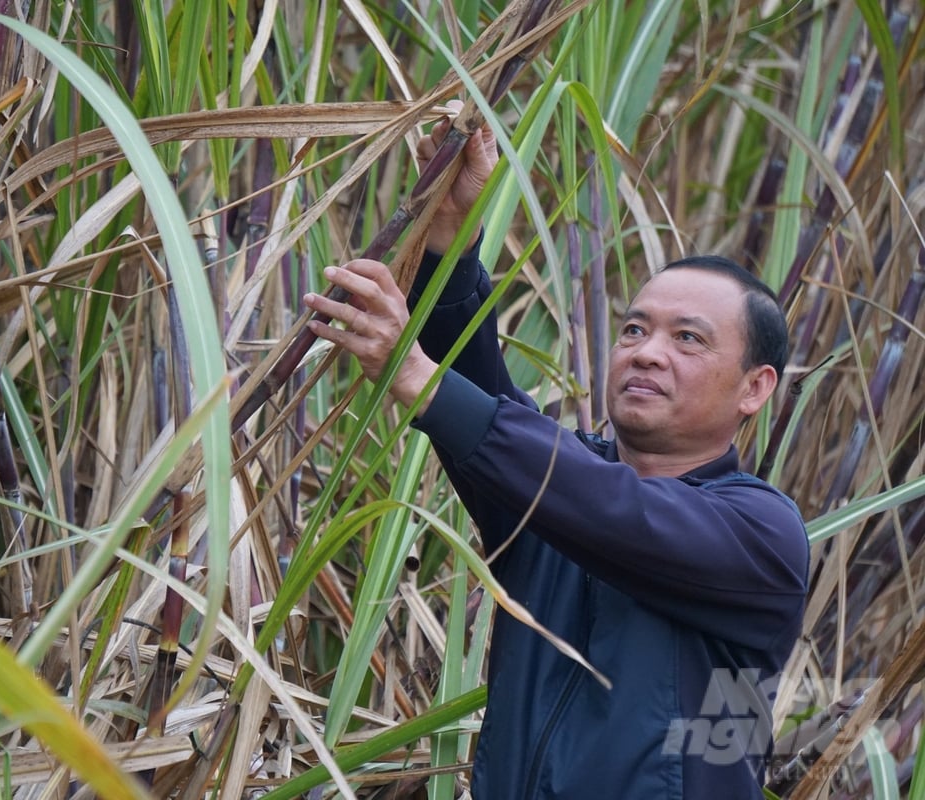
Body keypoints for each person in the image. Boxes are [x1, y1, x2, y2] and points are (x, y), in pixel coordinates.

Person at [302, 114, 809, 798]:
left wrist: (419, 377)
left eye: (688, 339)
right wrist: (451, 245)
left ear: (755, 388)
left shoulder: (762, 537)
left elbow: (607, 507)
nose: (647, 351)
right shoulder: (558, 494)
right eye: (635, 328)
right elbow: (506, 428)